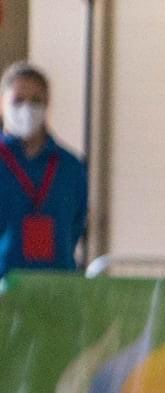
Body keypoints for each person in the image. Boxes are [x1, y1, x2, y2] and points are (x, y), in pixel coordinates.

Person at [0, 62, 87, 278]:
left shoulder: (70, 166)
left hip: (56, 283)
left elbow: (76, 224)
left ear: (47, 103)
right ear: (2, 104)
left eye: (35, 101)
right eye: (18, 100)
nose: (27, 109)